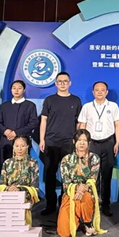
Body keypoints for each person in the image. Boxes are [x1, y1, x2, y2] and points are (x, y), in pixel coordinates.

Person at [39, 72, 82, 215]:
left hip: (68, 142)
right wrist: (42, 139)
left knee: (67, 175)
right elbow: (43, 120)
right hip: (51, 141)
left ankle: (65, 202)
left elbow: (79, 123)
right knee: (50, 173)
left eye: (65, 81)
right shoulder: (50, 100)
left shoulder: (76, 100)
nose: (62, 84)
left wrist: (77, 140)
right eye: (60, 81)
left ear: (70, 83)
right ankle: (50, 204)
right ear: (56, 83)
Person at [77, 81, 119, 216]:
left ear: (106, 92)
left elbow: (117, 125)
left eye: (102, 90)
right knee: (92, 176)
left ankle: (106, 204)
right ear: (93, 92)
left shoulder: (113, 106)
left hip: (108, 142)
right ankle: (93, 203)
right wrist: (82, 144)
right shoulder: (87, 107)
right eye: (97, 90)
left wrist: (117, 143)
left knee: (106, 175)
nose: (100, 92)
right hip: (92, 144)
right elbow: (82, 125)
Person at [57, 129, 107, 237]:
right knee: (64, 232)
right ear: (74, 142)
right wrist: (76, 189)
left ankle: (87, 222)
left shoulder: (94, 158)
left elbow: (92, 180)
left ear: (89, 143)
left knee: (87, 197)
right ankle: (77, 220)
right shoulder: (66, 159)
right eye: (79, 140)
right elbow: (66, 183)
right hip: (71, 194)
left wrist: (81, 190)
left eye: (85, 140)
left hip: (86, 192)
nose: (82, 143)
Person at [0, 80, 39, 171]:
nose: (16, 90)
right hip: (6, 143)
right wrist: (5, 131)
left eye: (19, 88)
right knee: (6, 170)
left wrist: (16, 133)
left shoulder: (30, 105)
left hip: (22, 144)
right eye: (14, 88)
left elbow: (33, 123)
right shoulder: (5, 106)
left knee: (22, 171)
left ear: (24, 90)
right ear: (11, 90)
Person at [0, 135, 40, 224]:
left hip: (25, 196)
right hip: (8, 196)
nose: (19, 149)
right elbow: (1, 185)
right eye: (17, 146)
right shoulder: (7, 163)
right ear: (13, 146)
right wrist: (9, 189)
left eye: (22, 146)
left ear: (27, 146)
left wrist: (19, 189)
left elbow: (35, 187)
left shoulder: (33, 163)